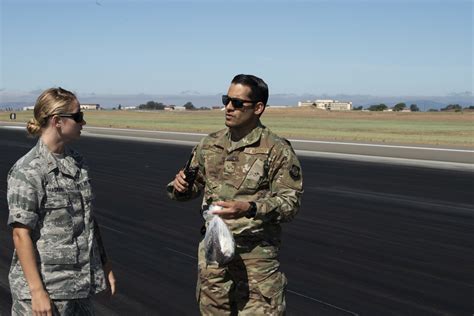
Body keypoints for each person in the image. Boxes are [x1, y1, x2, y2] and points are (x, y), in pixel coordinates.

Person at [167, 74, 303, 315]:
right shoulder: (209, 145)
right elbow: (189, 188)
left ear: (258, 108)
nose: (228, 107)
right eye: (226, 100)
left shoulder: (276, 149)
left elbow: (289, 204)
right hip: (214, 260)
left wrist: (249, 207)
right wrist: (180, 187)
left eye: (238, 103)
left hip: (256, 264)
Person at [7, 87, 116, 316]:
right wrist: (37, 291)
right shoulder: (29, 170)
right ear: (57, 121)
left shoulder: (77, 162)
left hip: (79, 287)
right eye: (77, 116)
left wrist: (104, 266)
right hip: (46, 290)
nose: (83, 122)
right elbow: (20, 233)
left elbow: (89, 220)